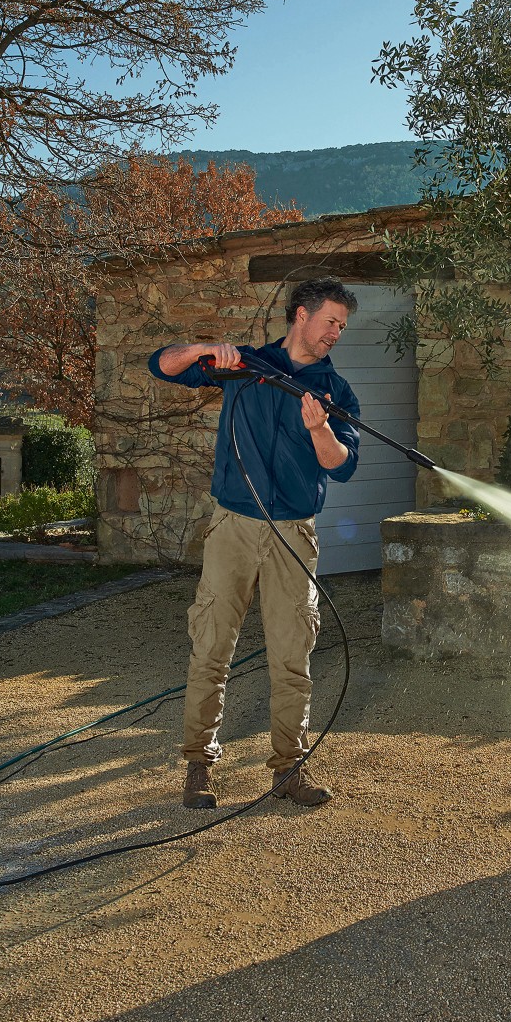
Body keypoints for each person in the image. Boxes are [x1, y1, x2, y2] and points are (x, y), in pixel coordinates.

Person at [148, 277, 361, 808]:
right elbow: (162, 366)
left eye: (342, 325)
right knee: (212, 647)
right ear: (300, 316)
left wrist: (320, 431)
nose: (336, 332)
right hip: (234, 527)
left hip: (294, 532)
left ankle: (289, 768)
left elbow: (344, 466)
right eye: (330, 321)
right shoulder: (244, 365)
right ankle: (199, 766)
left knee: (293, 655)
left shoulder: (336, 390)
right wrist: (203, 348)